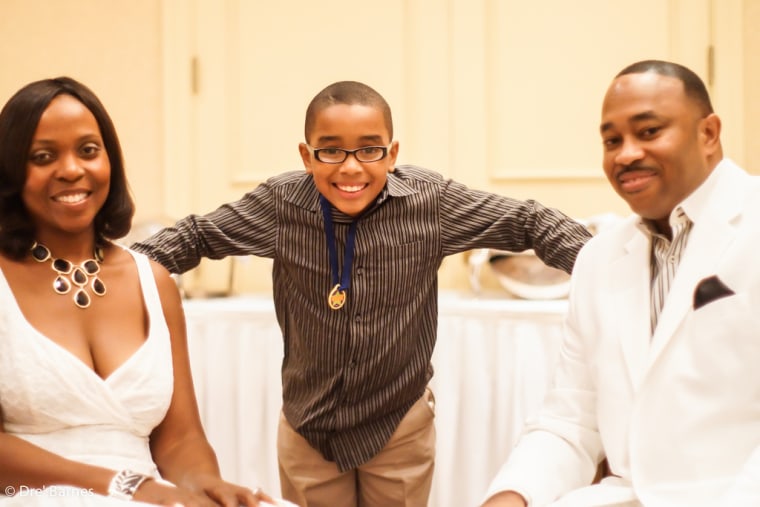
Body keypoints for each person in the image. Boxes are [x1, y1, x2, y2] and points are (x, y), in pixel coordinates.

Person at [131, 80, 592, 507]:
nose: (351, 167)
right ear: (306, 155)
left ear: (391, 154)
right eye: (330, 152)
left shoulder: (429, 203)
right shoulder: (280, 205)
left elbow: (531, 221)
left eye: (368, 149)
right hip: (308, 428)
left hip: (398, 426)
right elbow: (194, 237)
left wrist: (612, 275)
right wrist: (106, 282)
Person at [481, 59, 760, 507]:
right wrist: (512, 496)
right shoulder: (598, 258)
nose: (626, 154)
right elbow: (570, 420)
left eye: (648, 132)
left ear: (708, 133)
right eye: (612, 140)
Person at [0, 77, 285, 507]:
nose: (72, 169)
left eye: (89, 151)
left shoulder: (153, 280)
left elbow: (180, 439)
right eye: (43, 157)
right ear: (9, 172)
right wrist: (125, 485)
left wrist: (207, 485)